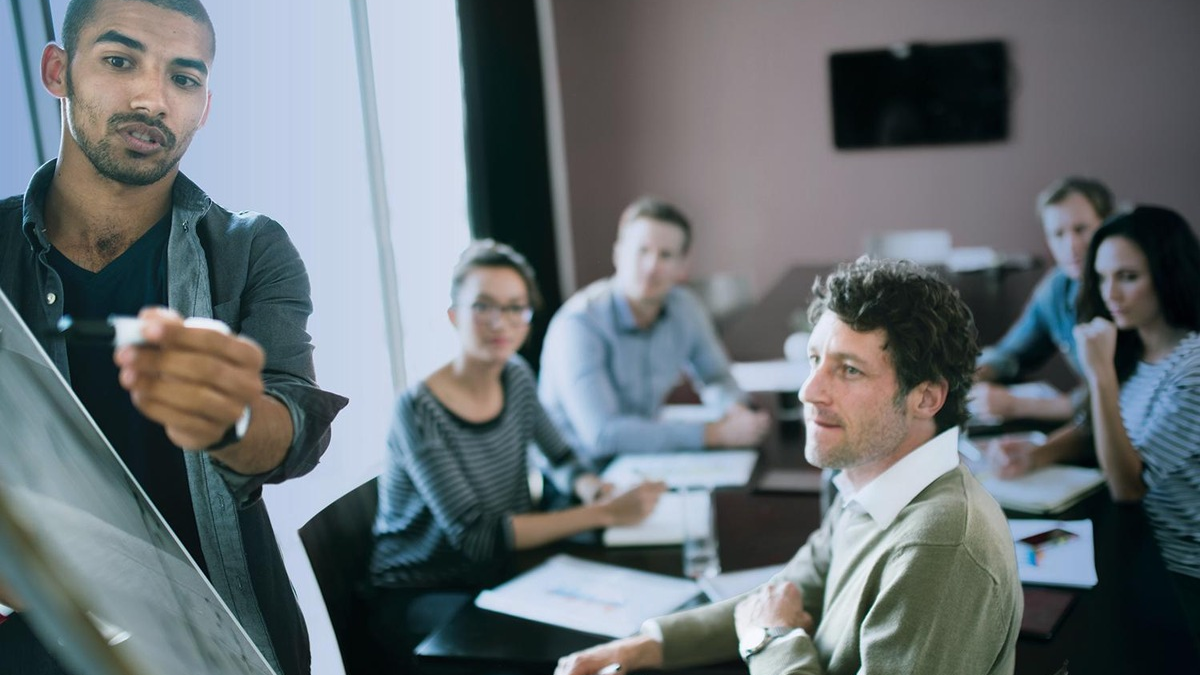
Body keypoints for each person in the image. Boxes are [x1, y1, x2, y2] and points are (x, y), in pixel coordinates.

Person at [0, 1, 347, 673]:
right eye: (120, 60)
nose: (151, 97)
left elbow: (296, 427)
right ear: (56, 70)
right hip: (41, 637)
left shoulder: (252, 248)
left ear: (205, 106)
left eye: (183, 78)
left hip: (221, 641)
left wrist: (231, 418)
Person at [556, 258, 1022, 675]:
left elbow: (772, 620)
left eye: (849, 370)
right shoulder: (870, 480)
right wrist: (646, 646)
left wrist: (771, 640)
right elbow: (793, 590)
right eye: (815, 360)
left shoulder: (941, 547)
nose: (809, 391)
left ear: (925, 397)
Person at [367, 240, 666, 672]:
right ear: (454, 315)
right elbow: (478, 537)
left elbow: (561, 459)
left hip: (499, 575)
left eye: (515, 308)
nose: (499, 323)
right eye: (483, 307)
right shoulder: (418, 408)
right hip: (418, 594)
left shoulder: (517, 377)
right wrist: (604, 513)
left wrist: (595, 488)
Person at [539, 196, 769, 461]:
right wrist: (714, 433)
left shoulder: (685, 308)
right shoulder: (579, 324)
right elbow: (603, 435)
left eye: (666, 255)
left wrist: (735, 410)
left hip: (646, 459)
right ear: (618, 253)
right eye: (642, 251)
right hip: (583, 474)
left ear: (683, 267)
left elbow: (716, 377)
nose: (651, 267)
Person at [1072, 206, 1200, 648]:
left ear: (1167, 275)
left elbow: (1128, 486)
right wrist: (1034, 454)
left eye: (1127, 277)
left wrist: (1100, 375)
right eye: (1102, 277)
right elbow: (1102, 433)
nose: (1111, 295)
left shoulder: (1192, 368)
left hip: (1179, 567)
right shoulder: (1138, 351)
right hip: (1137, 541)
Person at [974, 176, 1116, 477]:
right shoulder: (1058, 287)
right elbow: (1012, 352)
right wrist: (974, 373)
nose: (1072, 245)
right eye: (1058, 234)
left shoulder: (1123, 296)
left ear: (1108, 225)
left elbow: (1108, 399)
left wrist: (1015, 405)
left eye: (1081, 229)